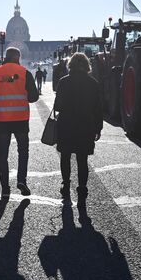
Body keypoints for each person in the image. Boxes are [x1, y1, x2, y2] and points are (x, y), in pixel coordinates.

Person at [0, 47, 39, 197]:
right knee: (23, 152)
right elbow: (34, 97)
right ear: (18, 58)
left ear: (6, 57)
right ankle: (21, 180)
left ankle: (5, 187)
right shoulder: (24, 73)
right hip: (21, 120)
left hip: (2, 120)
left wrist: (0, 92)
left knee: (3, 155)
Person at [53, 52, 103, 207]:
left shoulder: (64, 82)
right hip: (85, 125)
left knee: (65, 156)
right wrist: (98, 128)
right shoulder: (93, 83)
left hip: (66, 124)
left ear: (71, 65)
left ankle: (66, 184)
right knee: (82, 159)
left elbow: (58, 106)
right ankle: (82, 188)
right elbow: (98, 109)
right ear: (87, 65)